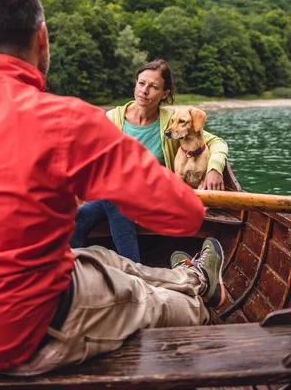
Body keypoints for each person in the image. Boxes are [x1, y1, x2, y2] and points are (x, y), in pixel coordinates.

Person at [0, 0, 225, 377]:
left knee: (97, 257)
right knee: (143, 298)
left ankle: (190, 274)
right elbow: (185, 215)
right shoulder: (67, 120)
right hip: (26, 336)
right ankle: (202, 296)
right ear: (43, 39)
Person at [70, 59, 228, 261]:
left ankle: (132, 273)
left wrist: (214, 168)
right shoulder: (112, 118)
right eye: (141, 83)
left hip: (151, 197)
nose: (144, 90)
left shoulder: (173, 123)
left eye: (153, 87)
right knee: (80, 217)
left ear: (165, 94)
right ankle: (76, 270)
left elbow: (217, 142)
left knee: (115, 201)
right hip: (113, 194)